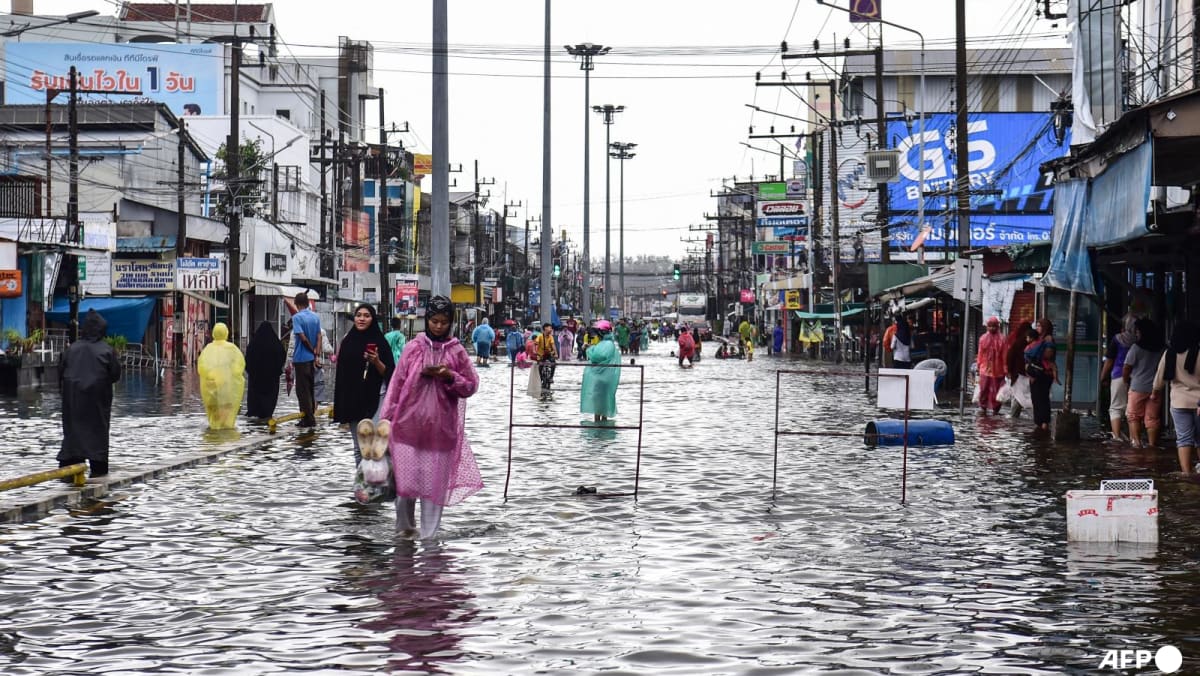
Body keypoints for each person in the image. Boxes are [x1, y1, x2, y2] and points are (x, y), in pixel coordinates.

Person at [379, 295, 482, 539]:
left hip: (441, 431)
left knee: (433, 492)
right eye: (434, 321)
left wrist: (449, 376)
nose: (438, 326)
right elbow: (396, 384)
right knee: (404, 489)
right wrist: (385, 420)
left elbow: (471, 386)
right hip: (406, 428)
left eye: (443, 322)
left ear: (451, 322)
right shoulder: (413, 348)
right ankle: (404, 536)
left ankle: (429, 543)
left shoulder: (457, 352)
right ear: (427, 321)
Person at [58, 309, 121, 478]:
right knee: (97, 443)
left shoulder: (71, 349)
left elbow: (60, 373)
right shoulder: (107, 351)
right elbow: (115, 374)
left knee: (73, 439)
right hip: (97, 404)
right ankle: (97, 467)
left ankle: (70, 466)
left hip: (73, 403)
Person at [334, 304, 396, 461]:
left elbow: (391, 374)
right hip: (354, 400)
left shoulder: (380, 342)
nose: (361, 319)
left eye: (366, 316)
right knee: (359, 446)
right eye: (358, 315)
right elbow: (341, 376)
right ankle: (361, 483)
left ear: (372, 319)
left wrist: (376, 361)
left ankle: (378, 480)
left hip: (377, 398)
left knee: (375, 444)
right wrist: (342, 404)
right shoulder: (348, 341)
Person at [1154, 321, 1200, 474]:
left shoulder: (1170, 353)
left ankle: (1186, 473)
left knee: (1184, 439)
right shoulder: (1199, 352)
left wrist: (1155, 392)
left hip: (1179, 402)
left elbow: (1159, 378)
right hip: (1198, 402)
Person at [1123, 317, 1165, 449]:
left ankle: (1137, 443)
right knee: (1152, 418)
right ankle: (1152, 445)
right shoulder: (1161, 348)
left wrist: (1126, 381)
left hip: (1137, 387)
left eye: (1137, 331)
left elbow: (1127, 367)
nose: (1136, 333)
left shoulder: (1136, 348)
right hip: (1156, 388)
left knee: (1133, 416)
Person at [197, 322, 245, 430]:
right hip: (226, 386)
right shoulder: (232, 348)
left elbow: (201, 366)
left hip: (210, 386)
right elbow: (239, 366)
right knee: (226, 407)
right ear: (226, 333)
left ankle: (215, 428)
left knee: (213, 408)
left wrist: (211, 375)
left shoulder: (208, 349)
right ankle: (225, 428)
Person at [1100, 314, 1136, 441]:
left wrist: (1103, 376)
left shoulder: (1117, 339)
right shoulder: (1139, 340)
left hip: (1118, 375)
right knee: (1132, 409)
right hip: (1136, 377)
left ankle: (1116, 436)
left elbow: (1109, 360)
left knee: (1116, 407)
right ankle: (1134, 438)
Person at [291, 292, 323, 428]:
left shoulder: (297, 317)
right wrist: (316, 353)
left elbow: (302, 338)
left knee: (302, 391)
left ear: (297, 304)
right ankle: (308, 417)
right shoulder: (315, 317)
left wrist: (311, 349)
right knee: (310, 389)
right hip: (311, 359)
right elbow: (319, 336)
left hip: (301, 358)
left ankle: (308, 419)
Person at [244, 321, 286, 419]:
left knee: (255, 399)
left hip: (256, 379)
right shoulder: (276, 344)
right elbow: (282, 357)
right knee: (269, 401)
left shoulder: (253, 344)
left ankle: (255, 414)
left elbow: (247, 360)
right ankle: (267, 414)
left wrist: (251, 371)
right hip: (271, 379)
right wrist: (276, 371)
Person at [581, 321, 621, 422]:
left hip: (602, 379)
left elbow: (598, 357)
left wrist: (589, 349)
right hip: (601, 378)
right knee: (599, 405)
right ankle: (600, 428)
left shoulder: (607, 344)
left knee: (600, 404)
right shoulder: (605, 344)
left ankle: (600, 428)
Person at [1025, 318, 1059, 432]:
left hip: (1044, 372)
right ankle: (1039, 422)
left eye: (1040, 326)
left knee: (1042, 398)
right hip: (1036, 372)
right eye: (1037, 326)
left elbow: (1049, 355)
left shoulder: (1048, 339)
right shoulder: (1038, 339)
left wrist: (1036, 353)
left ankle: (1044, 422)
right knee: (1036, 398)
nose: (1038, 328)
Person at [976, 316, 1007, 415]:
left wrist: (1006, 368)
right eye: (990, 326)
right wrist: (978, 364)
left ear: (997, 326)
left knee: (997, 390)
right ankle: (983, 406)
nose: (992, 328)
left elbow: (1005, 354)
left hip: (998, 369)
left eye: (994, 326)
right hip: (985, 368)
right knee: (984, 388)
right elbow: (980, 353)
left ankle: (996, 408)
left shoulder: (1002, 339)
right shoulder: (983, 338)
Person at [1005, 320, 1035, 417]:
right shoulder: (1031, 341)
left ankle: (1014, 417)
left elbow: (1009, 356)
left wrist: (1009, 370)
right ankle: (1034, 417)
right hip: (1028, 373)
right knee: (1026, 395)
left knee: (1018, 395)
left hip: (1018, 373)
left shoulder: (1017, 341)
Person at [533, 322, 557, 391]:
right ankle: (540, 379)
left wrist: (556, 354)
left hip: (549, 354)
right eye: (550, 328)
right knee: (540, 367)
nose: (551, 329)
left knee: (553, 363)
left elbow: (553, 346)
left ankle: (551, 377)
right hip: (541, 355)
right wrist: (535, 351)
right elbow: (536, 344)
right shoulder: (540, 336)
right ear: (545, 329)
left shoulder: (551, 337)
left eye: (551, 328)